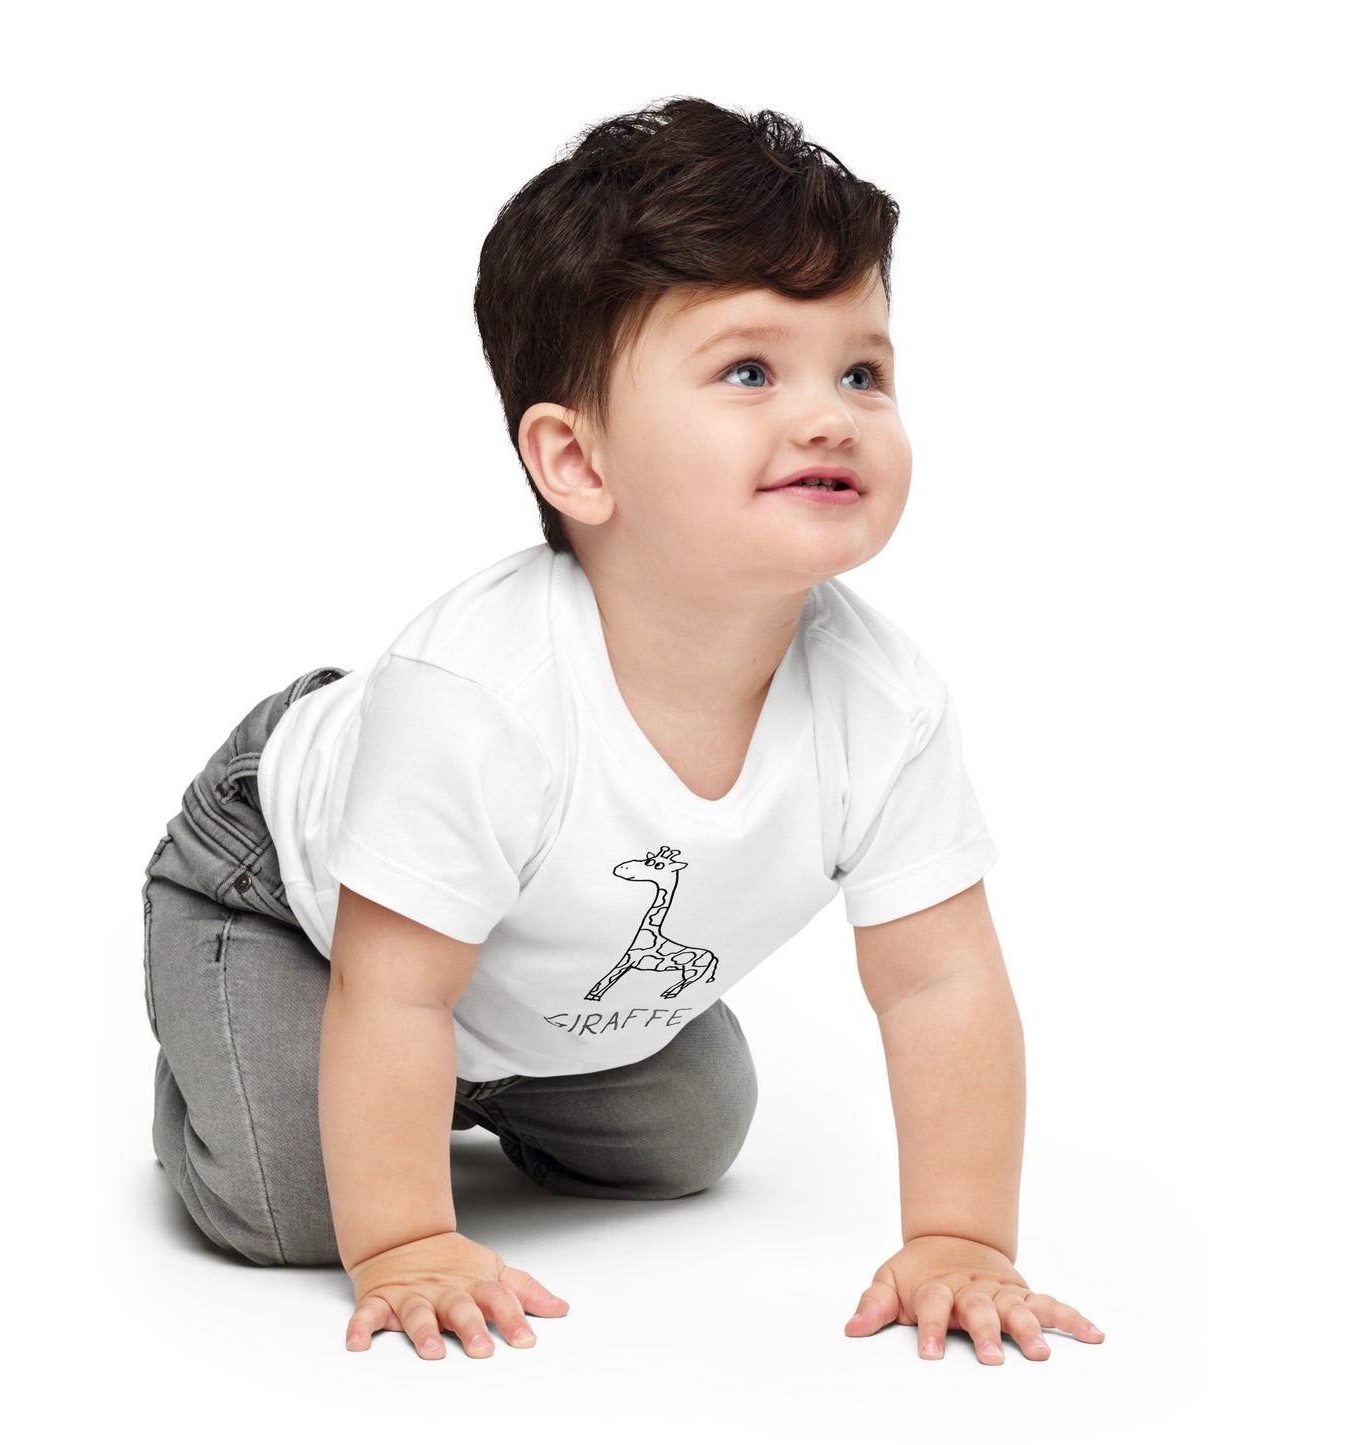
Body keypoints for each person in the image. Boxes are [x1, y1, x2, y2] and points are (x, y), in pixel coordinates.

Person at [141, 95, 1105, 1366]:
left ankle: (453, 1081)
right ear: (577, 461)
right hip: (291, 893)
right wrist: (409, 1242)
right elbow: (393, 986)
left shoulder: (887, 702)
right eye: (750, 371)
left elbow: (939, 979)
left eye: (859, 370)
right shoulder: (478, 696)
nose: (829, 414)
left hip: (504, 954)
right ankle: (235, 1041)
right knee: (299, 1204)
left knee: (689, 1133)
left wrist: (962, 1238)